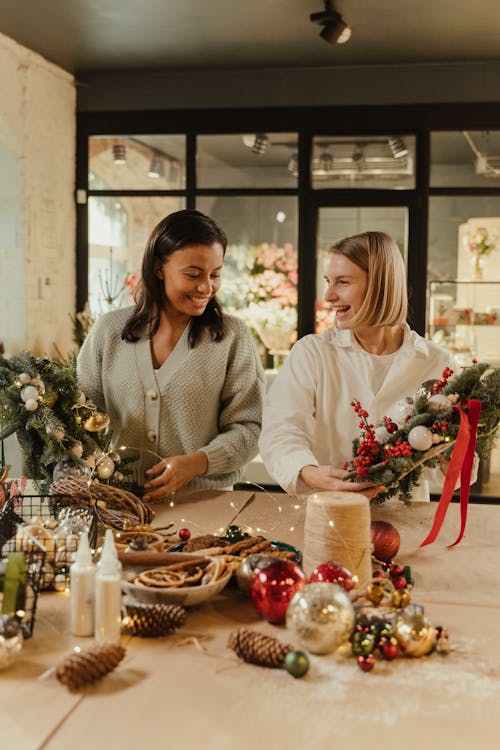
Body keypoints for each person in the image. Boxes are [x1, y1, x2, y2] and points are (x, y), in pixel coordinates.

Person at [259, 230, 465, 499]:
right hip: (329, 513)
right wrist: (307, 470)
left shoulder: (438, 363)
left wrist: (454, 457)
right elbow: (280, 429)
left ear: (381, 285)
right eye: (328, 281)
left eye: (342, 282)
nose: (329, 295)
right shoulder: (311, 353)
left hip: (408, 523)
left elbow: (457, 470)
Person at [77, 209, 265, 501]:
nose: (206, 287)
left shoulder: (232, 337)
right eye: (193, 274)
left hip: (206, 506)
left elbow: (252, 428)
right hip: (116, 505)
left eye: (215, 274)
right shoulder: (108, 331)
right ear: (158, 268)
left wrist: (198, 462)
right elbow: (79, 419)